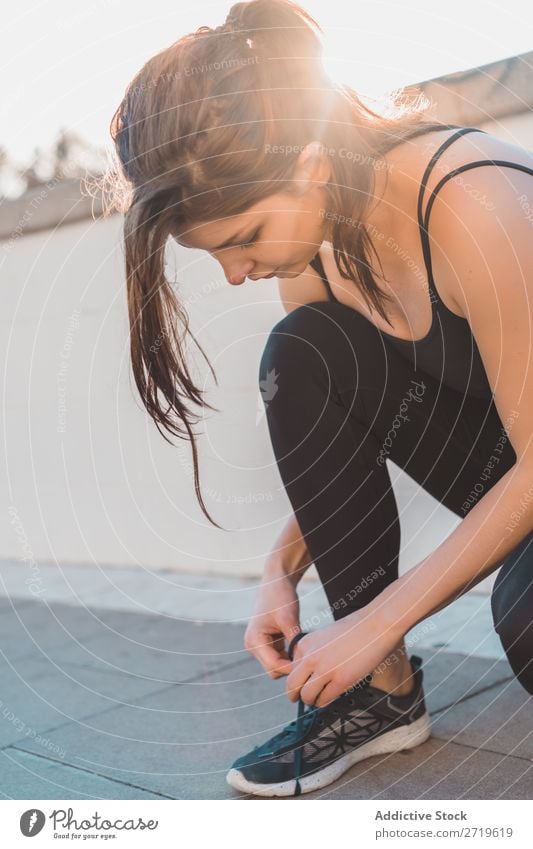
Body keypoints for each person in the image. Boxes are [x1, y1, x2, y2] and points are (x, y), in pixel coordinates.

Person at [106, 0, 533, 797]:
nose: (237, 272)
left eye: (243, 238)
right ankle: (381, 694)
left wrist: (377, 620)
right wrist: (281, 568)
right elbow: (347, 424)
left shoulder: (475, 202)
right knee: (302, 351)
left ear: (307, 165)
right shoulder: (320, 256)